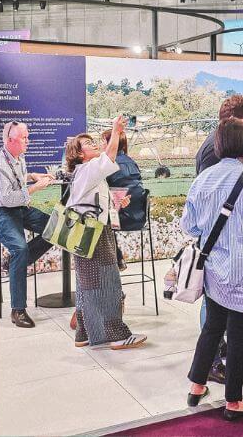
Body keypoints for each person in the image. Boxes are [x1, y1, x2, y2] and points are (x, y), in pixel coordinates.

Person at [183, 118, 243, 421]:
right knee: (239, 335)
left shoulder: (203, 179)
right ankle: (234, 401)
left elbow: (189, 225)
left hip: (213, 270)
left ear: (219, 144)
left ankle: (196, 386)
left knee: (212, 326)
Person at [64, 119, 146, 349]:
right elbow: (108, 158)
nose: (94, 144)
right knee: (108, 282)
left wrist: (116, 204)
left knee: (87, 285)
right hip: (95, 234)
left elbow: (92, 203)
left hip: (86, 233)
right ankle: (117, 335)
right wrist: (117, 131)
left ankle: (84, 332)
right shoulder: (89, 168)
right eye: (88, 143)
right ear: (79, 154)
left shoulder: (86, 173)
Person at [194, 95, 243, 384]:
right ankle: (211, 362)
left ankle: (213, 361)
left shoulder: (214, 145)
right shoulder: (214, 152)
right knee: (213, 308)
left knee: (216, 308)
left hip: (221, 242)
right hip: (219, 244)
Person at [0, 121, 54, 328]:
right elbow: (7, 200)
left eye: (27, 136)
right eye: (24, 138)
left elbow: (16, 180)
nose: (28, 141)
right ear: (10, 140)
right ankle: (18, 310)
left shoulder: (17, 156)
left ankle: (12, 262)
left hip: (18, 207)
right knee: (20, 249)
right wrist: (35, 188)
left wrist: (31, 176)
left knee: (55, 228)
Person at [101, 129, 147, 270]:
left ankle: (111, 269)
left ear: (111, 143)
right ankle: (117, 262)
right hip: (140, 217)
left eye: (102, 141)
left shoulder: (110, 164)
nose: (100, 144)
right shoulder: (131, 161)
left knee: (99, 223)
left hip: (123, 218)